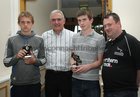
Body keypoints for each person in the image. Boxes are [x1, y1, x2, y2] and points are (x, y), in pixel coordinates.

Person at [3, 11, 46, 97]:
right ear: (19, 23)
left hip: (34, 83)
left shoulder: (40, 39)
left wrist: (34, 61)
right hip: (17, 83)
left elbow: (44, 59)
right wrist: (17, 56)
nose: (25, 25)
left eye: (28, 22)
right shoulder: (11, 40)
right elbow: (6, 62)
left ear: (32, 23)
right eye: (22, 22)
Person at [102, 12, 140, 97]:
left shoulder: (131, 41)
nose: (107, 28)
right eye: (105, 26)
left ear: (118, 23)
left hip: (125, 92)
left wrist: (134, 86)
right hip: (108, 91)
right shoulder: (107, 44)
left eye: (109, 25)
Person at [71, 9, 105, 97]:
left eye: (84, 19)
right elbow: (73, 55)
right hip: (76, 80)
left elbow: (100, 61)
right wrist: (72, 65)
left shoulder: (100, 38)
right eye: (79, 20)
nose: (81, 23)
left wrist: (88, 67)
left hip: (92, 82)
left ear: (91, 20)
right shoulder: (74, 37)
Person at [42, 9, 75, 97]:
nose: (56, 22)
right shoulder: (44, 36)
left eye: (59, 19)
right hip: (50, 75)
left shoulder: (72, 36)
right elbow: (40, 55)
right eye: (53, 20)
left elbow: (75, 55)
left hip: (67, 76)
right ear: (50, 22)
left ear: (64, 21)